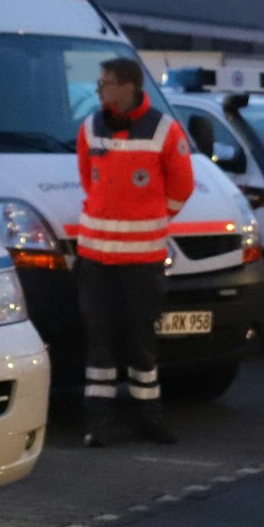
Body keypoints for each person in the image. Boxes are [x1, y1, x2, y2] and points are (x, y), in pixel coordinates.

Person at [75, 57, 194, 447]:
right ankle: (98, 422)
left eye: (106, 82)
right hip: (95, 258)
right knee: (100, 341)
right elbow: (88, 180)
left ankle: (148, 418)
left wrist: (152, 216)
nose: (99, 89)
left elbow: (182, 186)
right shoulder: (90, 127)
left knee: (141, 342)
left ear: (128, 86)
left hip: (142, 260)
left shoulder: (163, 130)